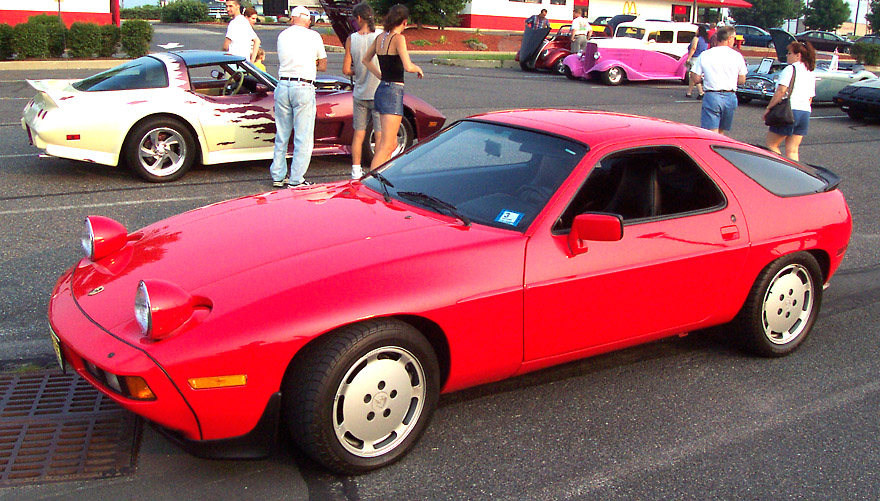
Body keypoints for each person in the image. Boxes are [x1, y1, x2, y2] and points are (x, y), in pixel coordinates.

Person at [270, 6, 327, 188]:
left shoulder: (282, 35)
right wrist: (312, 61)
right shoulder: (313, 36)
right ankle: (296, 179)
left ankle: (278, 175)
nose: (311, 21)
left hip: (283, 84)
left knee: (282, 133)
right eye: (310, 18)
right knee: (303, 136)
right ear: (305, 18)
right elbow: (323, 64)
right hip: (303, 85)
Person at [362, 4, 424, 171]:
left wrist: (380, 75)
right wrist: (418, 69)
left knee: (389, 143)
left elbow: (365, 60)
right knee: (387, 145)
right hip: (393, 91)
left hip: (381, 89)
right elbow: (408, 66)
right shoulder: (398, 38)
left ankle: (382, 177)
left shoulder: (380, 37)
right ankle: (370, 180)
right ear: (404, 21)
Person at [343, 2, 382, 179]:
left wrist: (357, 70)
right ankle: (378, 168)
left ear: (358, 18)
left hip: (360, 92)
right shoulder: (380, 36)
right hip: (378, 91)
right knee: (379, 134)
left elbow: (346, 70)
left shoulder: (352, 39)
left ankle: (356, 170)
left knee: (359, 133)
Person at [764, 41, 817, 161]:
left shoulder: (790, 69)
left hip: (789, 110)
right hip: (804, 112)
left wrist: (769, 108)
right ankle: (795, 174)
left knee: (772, 144)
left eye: (789, 53)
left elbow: (781, 91)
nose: (787, 55)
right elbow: (810, 98)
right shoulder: (810, 72)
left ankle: (778, 171)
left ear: (798, 56)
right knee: (793, 149)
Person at [690, 26, 747, 135]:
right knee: (721, 132)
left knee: (710, 132)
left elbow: (695, 77)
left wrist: (704, 79)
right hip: (730, 96)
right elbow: (742, 80)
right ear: (729, 38)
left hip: (712, 94)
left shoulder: (706, 54)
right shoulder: (737, 56)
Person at [686, 25, 709, 98]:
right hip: (702, 58)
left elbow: (693, 48)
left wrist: (688, 58)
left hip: (695, 58)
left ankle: (701, 92)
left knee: (694, 75)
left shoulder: (696, 38)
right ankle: (689, 92)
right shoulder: (705, 40)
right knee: (692, 76)